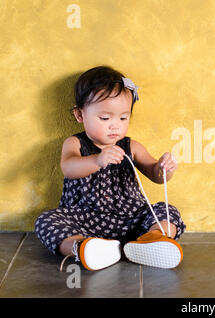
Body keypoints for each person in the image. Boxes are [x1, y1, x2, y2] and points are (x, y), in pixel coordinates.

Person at [34, 65, 186, 271]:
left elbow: (155, 174)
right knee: (46, 221)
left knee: (167, 210)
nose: (115, 125)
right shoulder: (75, 144)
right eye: (105, 118)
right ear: (80, 115)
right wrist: (97, 160)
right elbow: (69, 167)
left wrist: (164, 168)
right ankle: (83, 247)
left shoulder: (131, 146)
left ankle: (153, 239)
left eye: (123, 118)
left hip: (130, 218)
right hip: (85, 218)